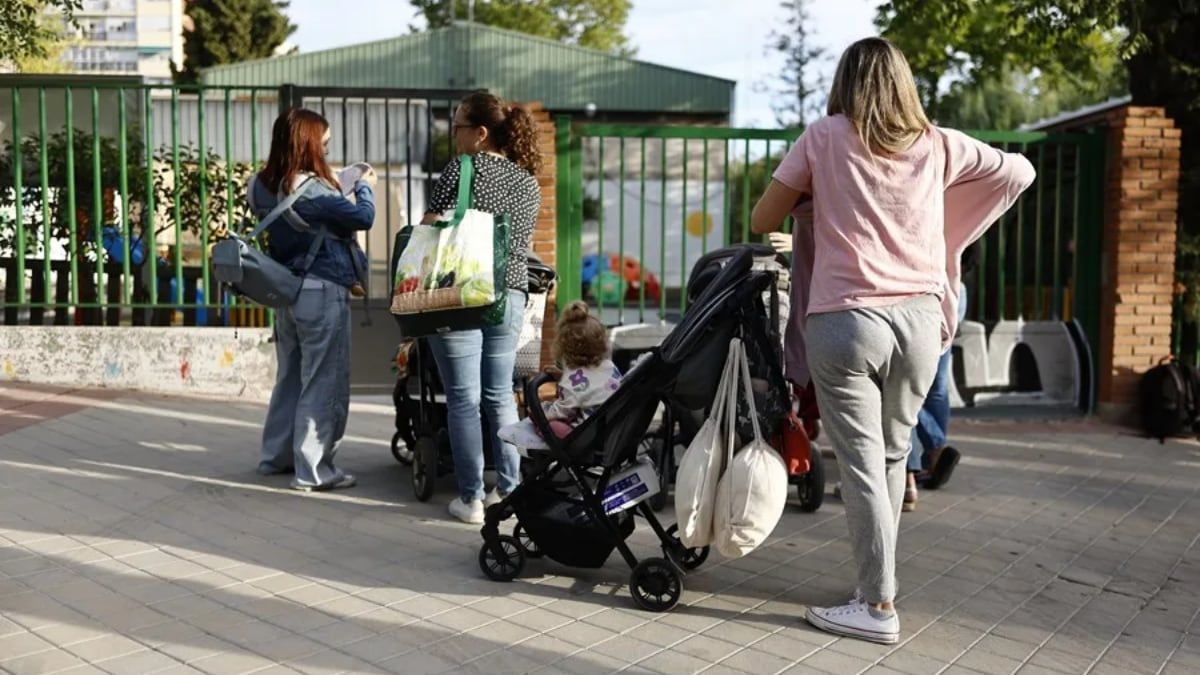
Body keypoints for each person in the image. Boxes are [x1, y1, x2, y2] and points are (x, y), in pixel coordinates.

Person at [751, 37, 1034, 644]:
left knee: (861, 468)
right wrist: (946, 224)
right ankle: (870, 594)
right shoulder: (938, 143)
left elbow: (760, 221)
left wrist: (818, 204)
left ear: (845, 83)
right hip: (920, 322)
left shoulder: (824, 136)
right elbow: (1021, 170)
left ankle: (878, 605)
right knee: (887, 461)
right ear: (904, 83)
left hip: (846, 322)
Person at [422, 92, 544, 525]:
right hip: (509, 294)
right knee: (499, 396)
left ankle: (471, 499)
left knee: (463, 398)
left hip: (460, 293)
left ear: (480, 133)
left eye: (457, 127)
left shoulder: (463, 168)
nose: (454, 136)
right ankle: (508, 492)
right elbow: (521, 246)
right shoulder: (528, 182)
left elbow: (431, 227)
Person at [251, 108, 377, 491]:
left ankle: (276, 458)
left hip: (286, 289)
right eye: (323, 143)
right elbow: (363, 217)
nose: (326, 150)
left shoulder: (259, 184)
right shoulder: (313, 191)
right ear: (308, 145)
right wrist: (365, 184)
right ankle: (315, 469)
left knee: (290, 377)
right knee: (324, 381)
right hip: (322, 292)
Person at [903, 281, 967, 511]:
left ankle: (909, 477)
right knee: (935, 388)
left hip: (919, 289)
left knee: (904, 389)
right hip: (952, 288)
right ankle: (934, 454)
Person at [541, 301, 623, 438]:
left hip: (591, 439)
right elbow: (591, 384)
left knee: (549, 425)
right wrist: (563, 376)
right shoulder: (609, 366)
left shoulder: (570, 383)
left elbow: (561, 412)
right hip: (616, 431)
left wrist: (539, 411)